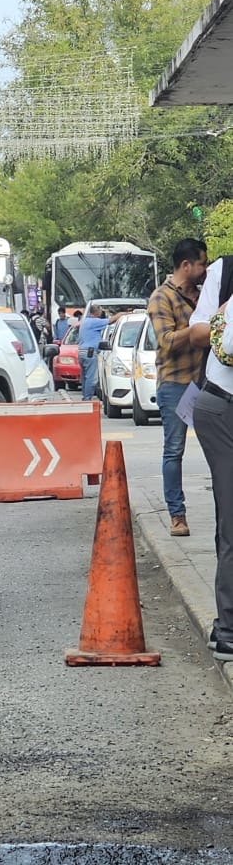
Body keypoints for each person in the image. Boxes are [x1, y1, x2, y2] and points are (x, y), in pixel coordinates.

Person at [146, 238, 209, 537]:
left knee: (219, 447)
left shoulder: (205, 294)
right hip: (174, 383)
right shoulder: (161, 298)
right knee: (174, 450)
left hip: (206, 383)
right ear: (186, 265)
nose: (204, 269)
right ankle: (177, 515)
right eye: (202, 263)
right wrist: (196, 331)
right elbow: (167, 341)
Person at [189, 254, 233, 661]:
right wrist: (223, 317)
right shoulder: (225, 271)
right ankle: (229, 628)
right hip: (223, 406)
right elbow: (197, 332)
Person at [77, 305, 110, 401]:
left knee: (85, 377)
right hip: (90, 352)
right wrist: (123, 314)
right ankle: (87, 398)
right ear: (96, 312)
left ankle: (85, 396)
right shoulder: (94, 321)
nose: (101, 313)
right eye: (100, 311)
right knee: (91, 378)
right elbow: (111, 320)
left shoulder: (85, 321)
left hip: (82, 352)